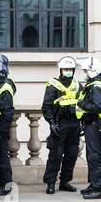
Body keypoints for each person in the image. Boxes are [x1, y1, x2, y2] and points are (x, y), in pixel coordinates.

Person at [41, 56, 82, 194]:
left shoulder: (77, 85)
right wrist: (51, 123)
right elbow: (46, 107)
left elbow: (82, 105)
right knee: (55, 155)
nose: (68, 71)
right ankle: (51, 182)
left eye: (71, 69)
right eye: (66, 69)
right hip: (60, 123)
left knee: (72, 154)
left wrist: (81, 122)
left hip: (74, 124)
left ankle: (65, 182)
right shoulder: (53, 85)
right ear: (61, 70)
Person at [76, 55, 101, 199]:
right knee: (92, 155)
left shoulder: (96, 86)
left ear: (92, 70)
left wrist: (81, 104)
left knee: (95, 156)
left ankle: (98, 188)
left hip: (96, 124)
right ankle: (93, 184)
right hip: (95, 124)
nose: (84, 73)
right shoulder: (100, 84)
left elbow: (98, 107)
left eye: (86, 70)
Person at [0, 53, 16, 194]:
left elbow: (7, 112)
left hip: (0, 126)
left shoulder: (5, 87)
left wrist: (0, 130)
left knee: (1, 156)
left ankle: (5, 185)